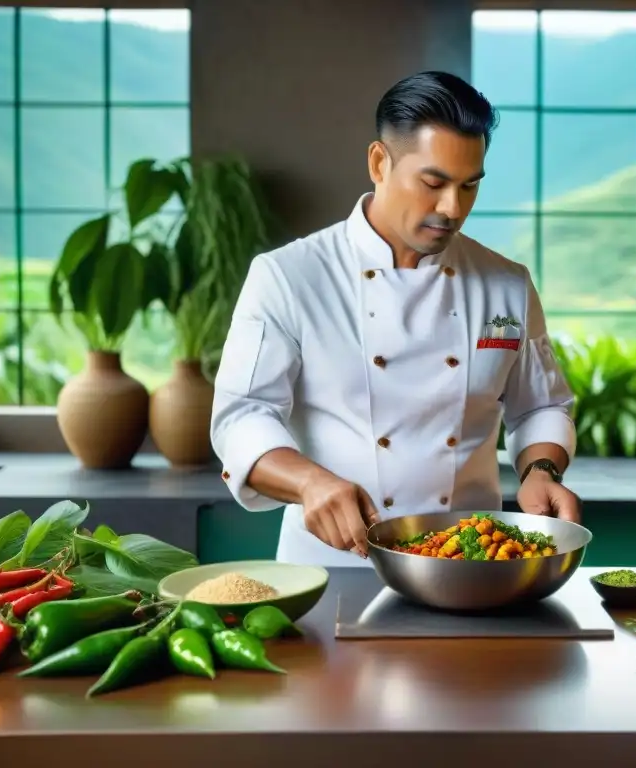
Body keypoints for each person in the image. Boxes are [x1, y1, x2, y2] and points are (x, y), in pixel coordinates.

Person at [210, 70, 580, 568]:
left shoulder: (505, 285)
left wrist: (540, 470)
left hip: (471, 568)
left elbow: (541, 406)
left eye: (470, 186)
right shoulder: (288, 276)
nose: (452, 208)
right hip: (331, 568)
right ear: (380, 163)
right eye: (434, 182)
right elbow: (242, 417)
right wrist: (308, 481)